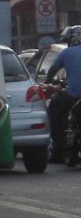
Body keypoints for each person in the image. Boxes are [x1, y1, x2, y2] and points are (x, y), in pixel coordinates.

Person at [43, 25, 81, 163]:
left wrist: (47, 82)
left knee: (55, 104)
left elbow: (53, 70)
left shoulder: (67, 53)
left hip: (74, 96)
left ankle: (58, 144)